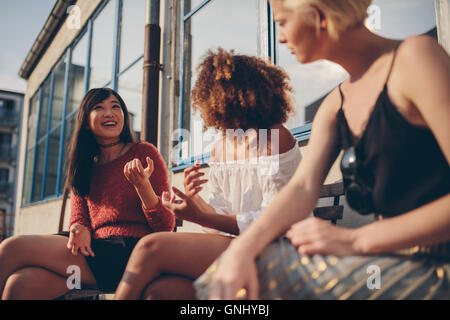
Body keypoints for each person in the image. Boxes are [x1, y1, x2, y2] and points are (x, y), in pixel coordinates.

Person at [194, 0, 450, 300]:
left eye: (283, 21)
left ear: (317, 14)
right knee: (224, 272)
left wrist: (356, 240)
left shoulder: (417, 58)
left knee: (257, 275)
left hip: (436, 264)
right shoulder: (335, 103)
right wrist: (243, 248)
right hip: (387, 262)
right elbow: (302, 188)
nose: (280, 37)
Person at [113, 48, 302, 299]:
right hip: (239, 246)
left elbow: (271, 224)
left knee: (150, 247)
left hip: (276, 251)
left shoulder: (275, 137)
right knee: (159, 292)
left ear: (235, 98)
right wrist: (195, 202)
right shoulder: (221, 148)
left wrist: (200, 215)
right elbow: (218, 223)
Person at [0, 88, 175, 299]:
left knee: (12, 247)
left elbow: (166, 226)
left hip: (133, 254)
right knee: (20, 284)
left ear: (124, 116)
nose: (109, 113)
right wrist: (78, 228)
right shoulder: (84, 166)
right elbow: (78, 219)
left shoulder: (144, 152)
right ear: (85, 121)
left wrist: (143, 187)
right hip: (92, 254)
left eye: (115, 107)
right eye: (99, 108)